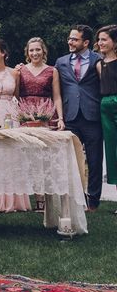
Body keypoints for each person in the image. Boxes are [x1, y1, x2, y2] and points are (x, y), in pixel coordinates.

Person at [55, 25, 103, 211]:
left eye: (74, 39)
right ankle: (75, 197)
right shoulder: (61, 62)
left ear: (86, 42)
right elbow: (57, 91)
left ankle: (93, 201)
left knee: (94, 159)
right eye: (69, 38)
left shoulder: (98, 60)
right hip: (71, 117)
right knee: (70, 161)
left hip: (92, 116)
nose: (70, 42)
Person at [0, 39, 31, 213]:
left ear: (4, 53)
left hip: (11, 114)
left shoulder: (14, 73)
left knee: (12, 157)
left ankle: (14, 201)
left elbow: (17, 95)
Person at [17, 37, 65, 211]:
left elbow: (57, 96)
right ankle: (38, 198)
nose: (34, 53)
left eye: (38, 49)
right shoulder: (20, 71)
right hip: (26, 116)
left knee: (47, 158)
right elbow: (15, 95)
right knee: (31, 159)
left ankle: (50, 196)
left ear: (43, 51)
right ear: (27, 52)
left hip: (46, 114)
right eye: (31, 50)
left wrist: (60, 118)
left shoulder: (52, 70)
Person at [95, 25, 117, 207]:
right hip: (106, 107)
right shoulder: (99, 63)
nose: (100, 43)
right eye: (99, 40)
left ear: (114, 42)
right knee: (112, 153)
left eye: (104, 39)